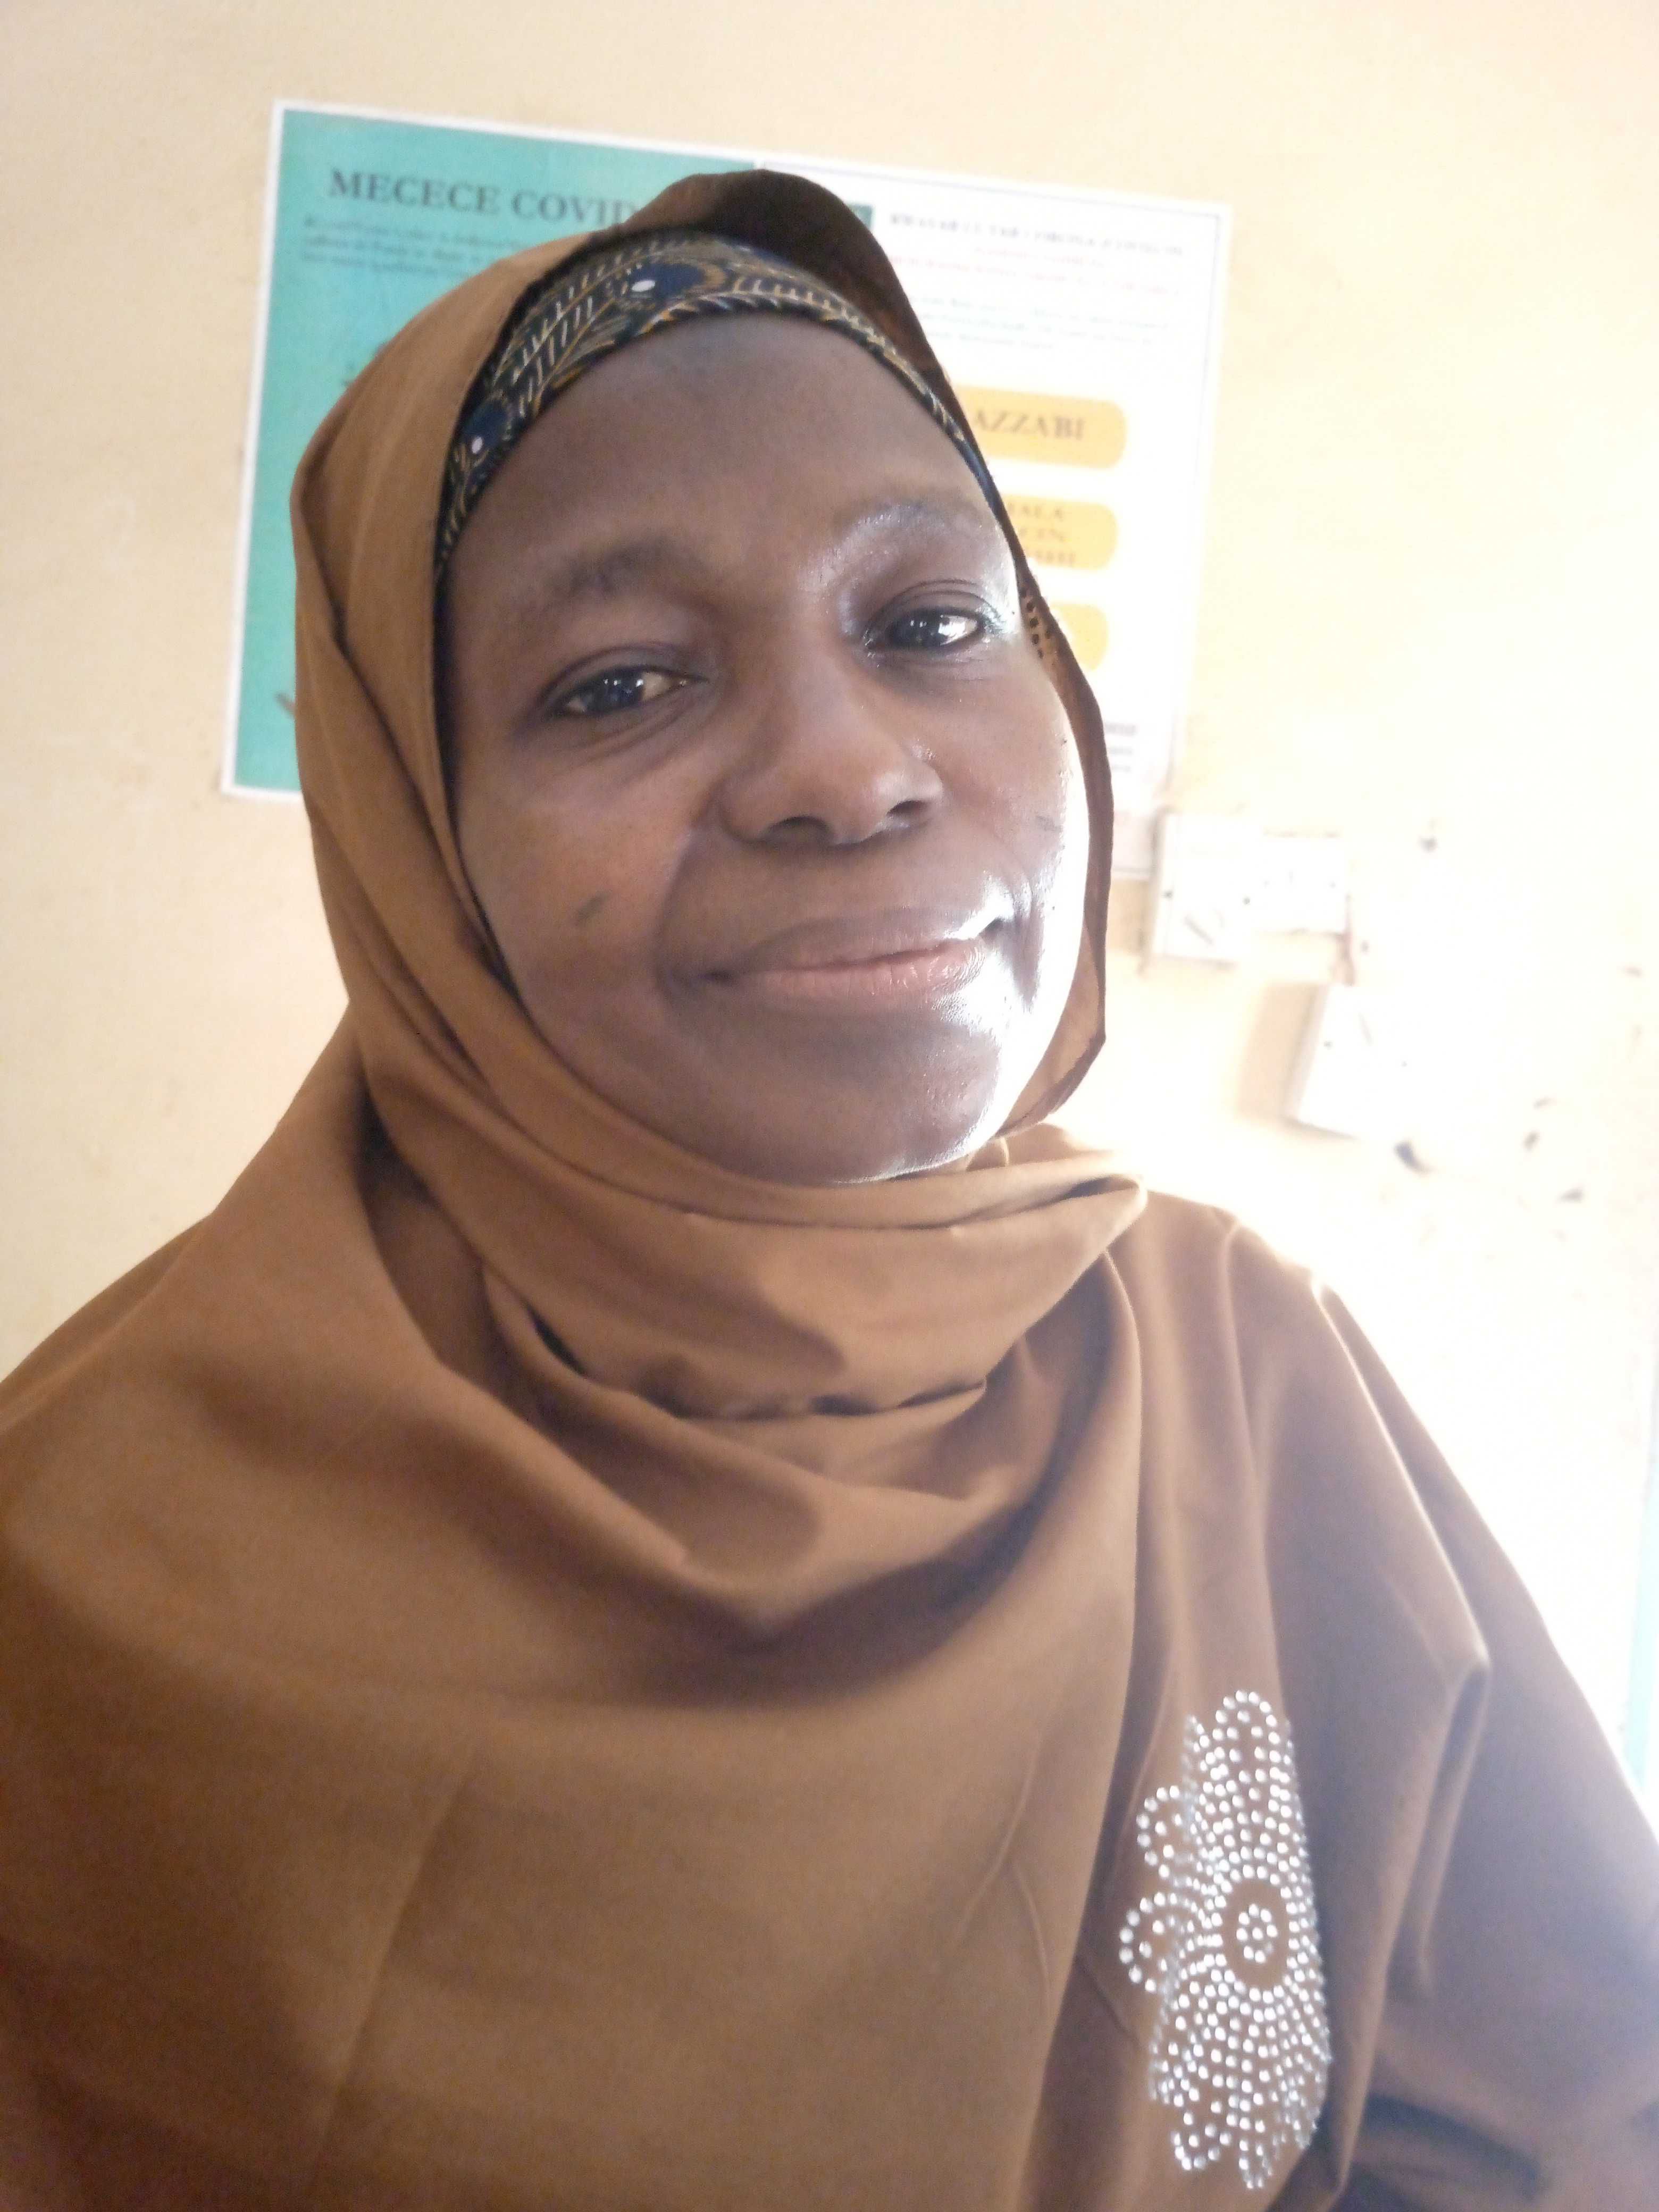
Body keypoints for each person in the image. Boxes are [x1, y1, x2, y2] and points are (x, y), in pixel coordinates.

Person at [1, 169, 1655, 2212]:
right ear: (418, 825)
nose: (846, 768)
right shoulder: (89, 1559)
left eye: (932, 624)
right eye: (619, 682)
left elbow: (1572, 2112)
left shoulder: (1242, 1379)